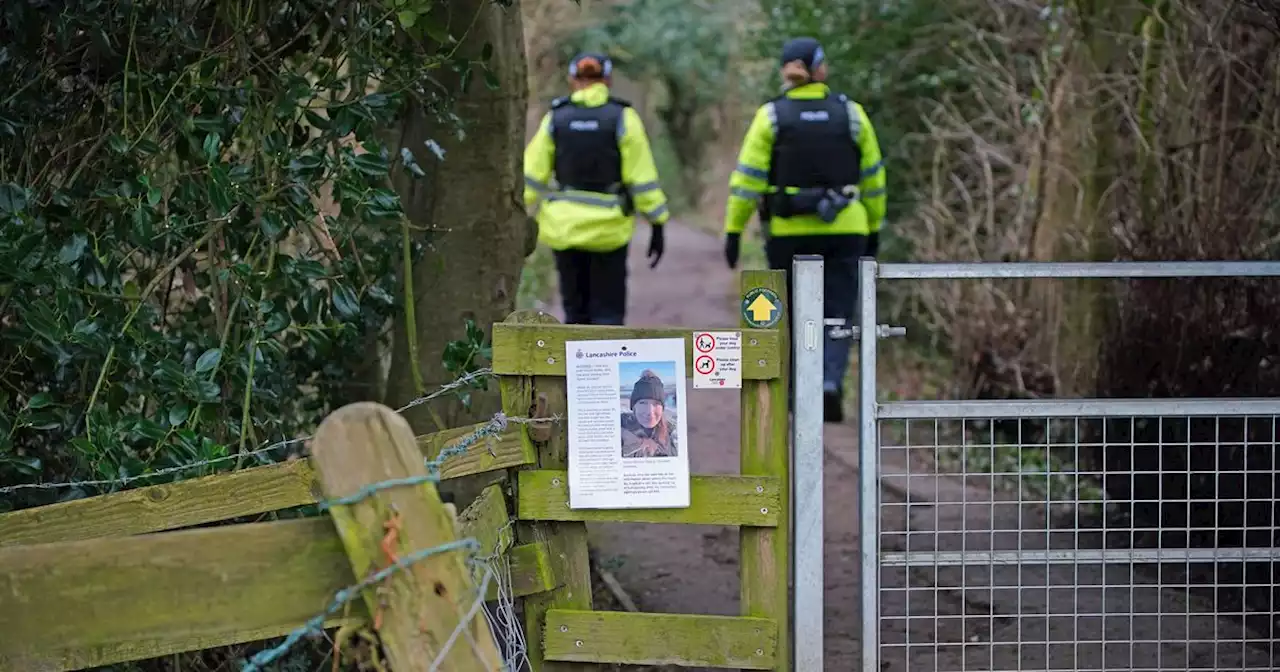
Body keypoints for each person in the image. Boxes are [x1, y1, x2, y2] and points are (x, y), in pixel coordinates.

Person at [721, 37, 887, 423]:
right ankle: (829, 381)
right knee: (838, 311)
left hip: (788, 229)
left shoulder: (772, 116)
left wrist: (733, 230)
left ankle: (797, 390)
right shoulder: (852, 115)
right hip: (847, 227)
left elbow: (747, 181)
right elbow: (874, 178)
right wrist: (874, 226)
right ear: (820, 69)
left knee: (791, 312)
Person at [523, 52, 672, 325]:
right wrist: (657, 222)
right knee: (609, 315)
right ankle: (609, 365)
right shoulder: (623, 118)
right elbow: (642, 179)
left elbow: (532, 177)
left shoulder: (556, 118)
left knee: (575, 313)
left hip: (563, 229)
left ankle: (577, 368)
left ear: (571, 80)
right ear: (608, 80)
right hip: (609, 232)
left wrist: (516, 212)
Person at [620, 369, 677, 458]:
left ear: (662, 408)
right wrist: (638, 444)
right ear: (634, 407)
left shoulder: (672, 434)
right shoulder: (618, 430)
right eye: (643, 403)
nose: (649, 412)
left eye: (656, 403)